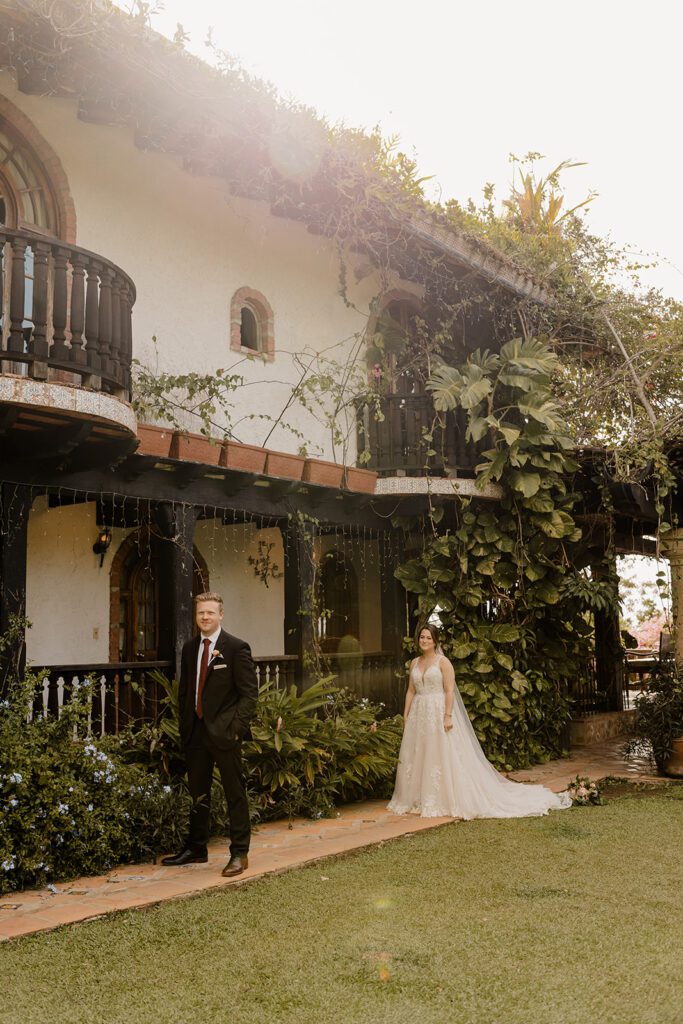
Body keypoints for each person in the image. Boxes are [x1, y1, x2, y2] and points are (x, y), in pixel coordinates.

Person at [388, 623, 571, 819]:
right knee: (418, 753)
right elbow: (410, 691)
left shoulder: (443, 662)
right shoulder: (415, 663)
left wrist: (448, 715)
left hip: (437, 711)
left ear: (435, 641)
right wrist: (406, 714)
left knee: (438, 753)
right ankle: (416, 798)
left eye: (428, 638)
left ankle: (439, 798)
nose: (424, 641)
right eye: (422, 637)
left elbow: (449, 690)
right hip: (418, 713)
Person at [161, 592, 258, 876]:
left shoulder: (236, 648)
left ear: (221, 615)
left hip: (225, 734)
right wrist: (185, 727)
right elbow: (186, 691)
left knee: (234, 793)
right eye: (201, 613)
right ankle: (196, 847)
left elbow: (249, 695)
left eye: (210, 613)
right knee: (197, 793)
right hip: (196, 732)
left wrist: (236, 729)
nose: (205, 617)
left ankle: (240, 852)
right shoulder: (190, 648)